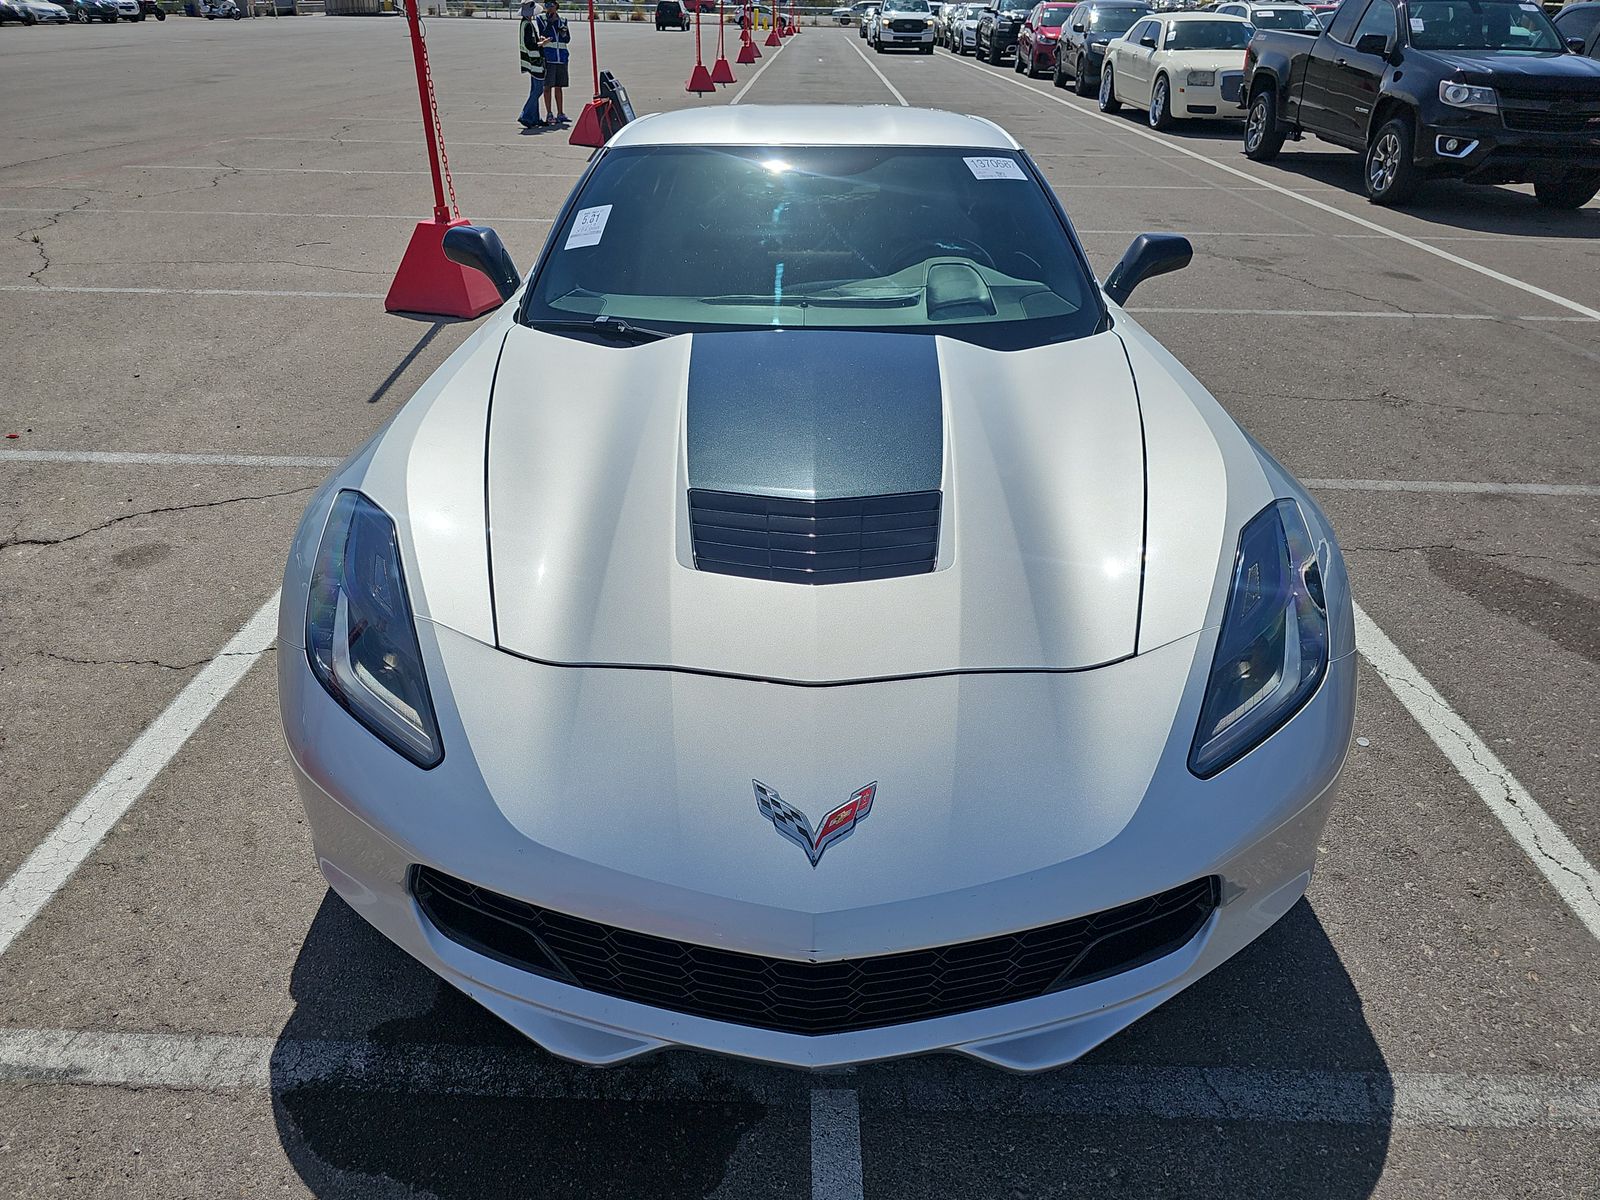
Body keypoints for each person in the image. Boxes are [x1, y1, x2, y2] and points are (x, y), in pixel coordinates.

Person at [536, 0, 571, 126]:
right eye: (546, 5)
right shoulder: (541, 19)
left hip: (561, 58)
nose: (549, 7)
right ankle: (549, 113)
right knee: (547, 87)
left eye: (551, 5)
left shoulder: (563, 20)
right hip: (549, 57)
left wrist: (563, 31)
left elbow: (567, 39)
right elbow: (542, 33)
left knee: (559, 86)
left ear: (556, 6)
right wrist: (550, 23)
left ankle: (560, 113)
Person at [517, 0, 549, 129]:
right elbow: (530, 44)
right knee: (538, 90)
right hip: (534, 61)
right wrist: (542, 43)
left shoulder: (526, 23)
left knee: (534, 89)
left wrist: (538, 40)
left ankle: (534, 118)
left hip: (531, 61)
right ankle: (525, 115)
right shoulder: (527, 25)